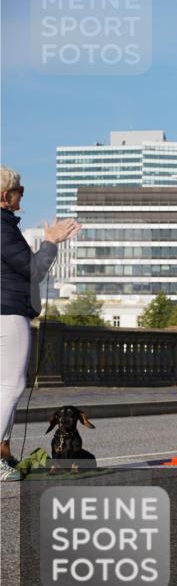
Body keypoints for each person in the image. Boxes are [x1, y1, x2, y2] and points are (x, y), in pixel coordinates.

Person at [1, 165, 80, 481]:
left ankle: (3, 454)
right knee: (11, 385)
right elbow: (33, 270)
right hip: (7, 314)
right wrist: (50, 242)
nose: (23, 196)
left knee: (4, 387)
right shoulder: (3, 227)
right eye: (20, 191)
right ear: (6, 196)